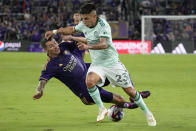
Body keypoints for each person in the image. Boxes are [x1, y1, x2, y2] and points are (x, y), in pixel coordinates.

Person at [45, 3, 156, 126]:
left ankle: (147, 112)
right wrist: (54, 31)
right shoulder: (84, 24)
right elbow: (71, 29)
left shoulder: (103, 26)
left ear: (94, 16)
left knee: (130, 91)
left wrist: (87, 46)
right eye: (83, 18)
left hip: (112, 64)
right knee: (89, 81)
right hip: (97, 64)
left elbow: (104, 44)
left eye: (86, 18)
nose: (83, 21)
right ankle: (102, 108)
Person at [33, 38, 150, 110]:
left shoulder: (63, 46)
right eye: (51, 46)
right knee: (119, 99)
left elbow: (79, 41)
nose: (55, 46)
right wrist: (39, 90)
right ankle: (125, 106)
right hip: (86, 91)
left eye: (55, 43)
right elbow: (43, 79)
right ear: (45, 50)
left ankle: (131, 96)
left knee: (121, 73)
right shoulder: (50, 66)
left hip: (92, 73)